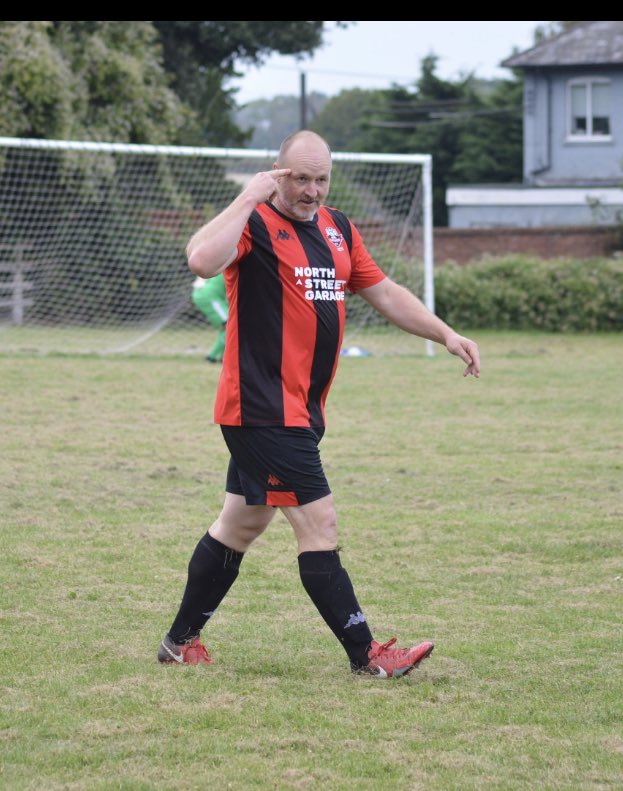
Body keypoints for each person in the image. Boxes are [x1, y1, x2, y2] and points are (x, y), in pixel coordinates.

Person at [157, 130, 481, 678]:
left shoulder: (338, 229)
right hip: (263, 410)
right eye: (300, 178)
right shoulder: (255, 223)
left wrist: (444, 334)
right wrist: (247, 197)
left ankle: (178, 643)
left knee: (240, 525)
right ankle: (369, 656)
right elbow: (200, 261)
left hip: (300, 412)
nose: (311, 191)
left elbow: (384, 292)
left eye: (320, 179)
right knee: (319, 526)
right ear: (278, 173)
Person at [191, 272, 228, 363]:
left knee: (229, 326)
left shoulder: (224, 263)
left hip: (205, 293)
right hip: (209, 296)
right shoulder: (231, 266)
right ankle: (212, 357)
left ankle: (223, 356)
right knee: (229, 325)